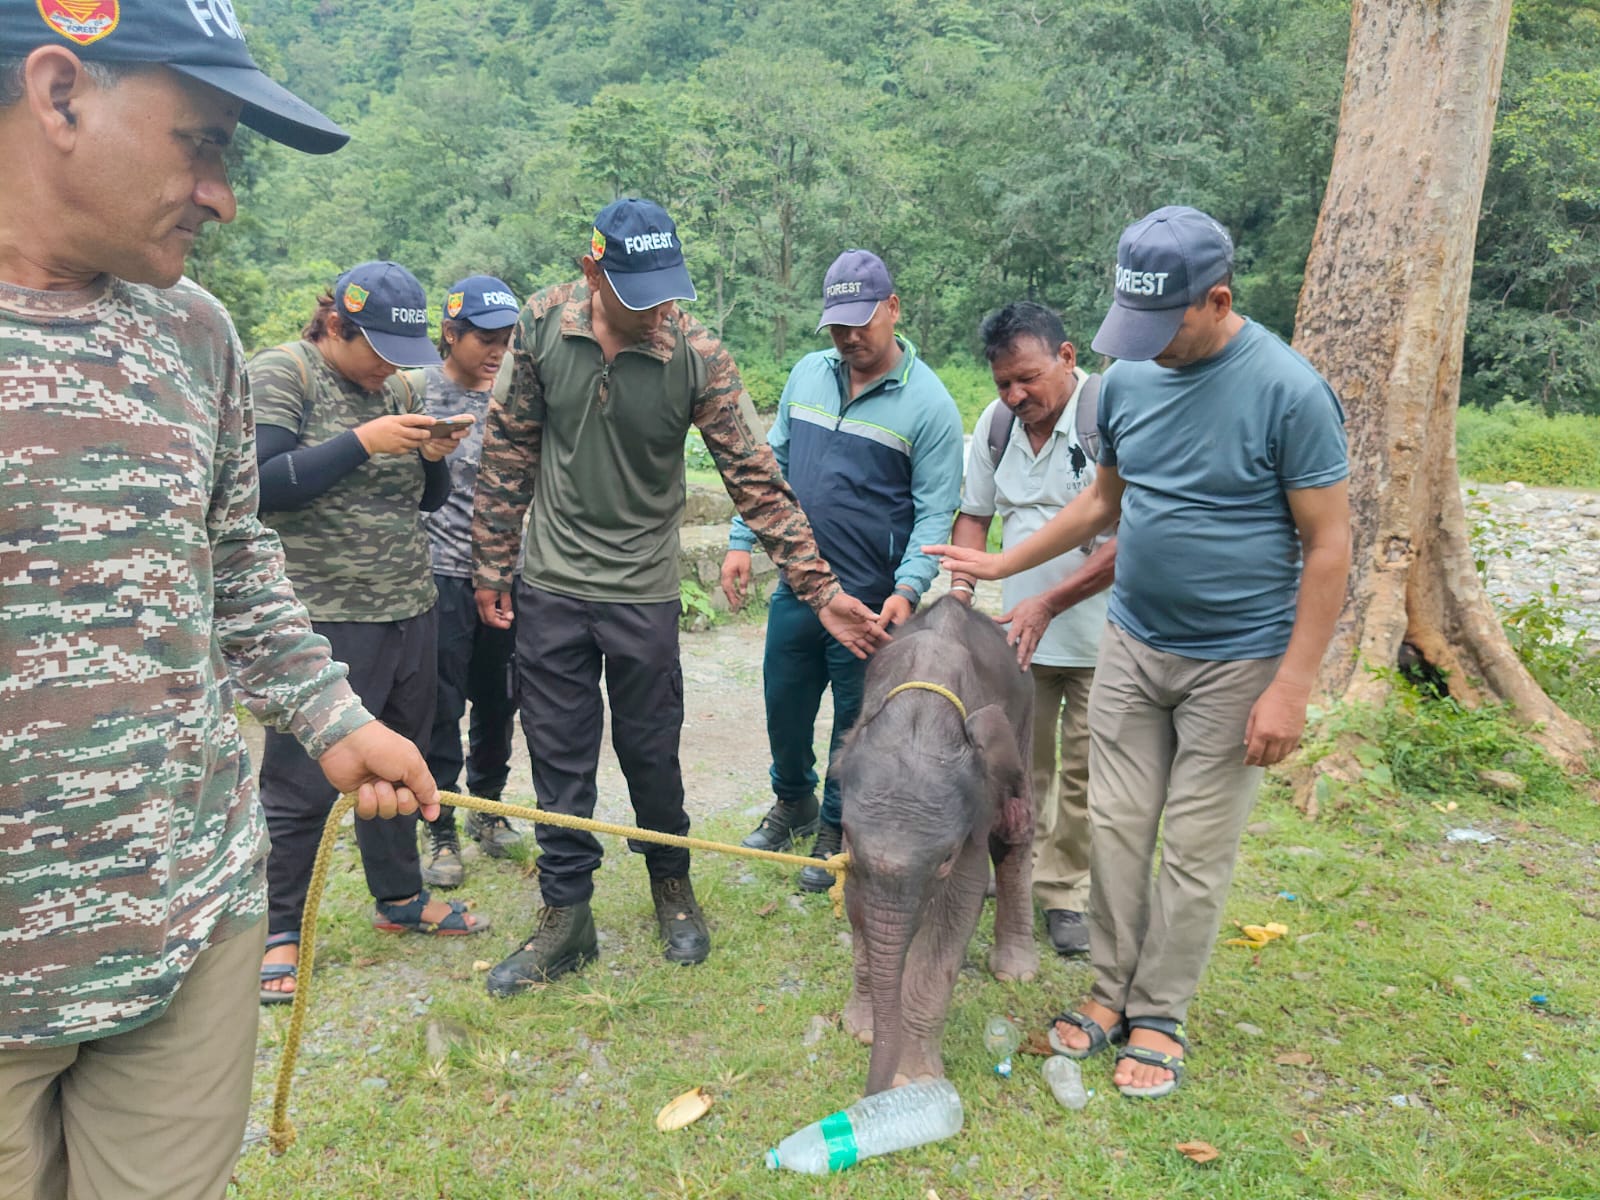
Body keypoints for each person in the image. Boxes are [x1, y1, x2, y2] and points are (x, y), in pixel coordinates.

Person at [0, 6, 442, 1198]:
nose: (222, 196)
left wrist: (333, 716)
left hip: (189, 928)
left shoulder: (194, 333)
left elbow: (236, 555)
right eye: (201, 144)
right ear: (58, 93)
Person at [928, 206, 1350, 1099]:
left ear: (1218, 299)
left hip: (1237, 660)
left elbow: (1329, 544)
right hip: (1134, 642)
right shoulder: (1127, 386)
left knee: (1194, 848)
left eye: (1164, 327)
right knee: (1116, 830)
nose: (1145, 345)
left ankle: (1161, 1014)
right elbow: (1101, 506)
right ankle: (1111, 991)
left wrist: (1293, 686)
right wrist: (1008, 561)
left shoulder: (1290, 392)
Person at [471, 198, 890, 993]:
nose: (660, 306)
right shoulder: (539, 325)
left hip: (641, 591)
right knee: (558, 760)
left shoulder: (696, 354)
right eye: (640, 291)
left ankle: (672, 882)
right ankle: (566, 915)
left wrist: (820, 589)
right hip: (552, 582)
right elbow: (509, 445)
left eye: (668, 287)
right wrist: (492, 564)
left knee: (651, 751)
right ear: (593, 271)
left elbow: (756, 481)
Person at [250, 260, 491, 1004]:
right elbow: (260, 484)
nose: (391, 366)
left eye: (401, 351)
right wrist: (364, 439)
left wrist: (431, 456)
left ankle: (399, 897)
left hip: (406, 605)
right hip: (320, 617)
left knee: (399, 761)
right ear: (334, 326)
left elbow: (426, 501)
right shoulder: (282, 373)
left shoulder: (404, 388)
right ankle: (277, 930)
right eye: (377, 348)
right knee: (299, 780)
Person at [721, 249, 963, 891]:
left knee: (858, 726)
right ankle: (793, 801)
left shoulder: (931, 405)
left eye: (863, 320)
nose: (851, 335)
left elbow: (935, 513)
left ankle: (837, 825)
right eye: (838, 324)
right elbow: (767, 468)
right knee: (785, 707)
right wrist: (741, 538)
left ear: (893, 308)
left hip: (871, 606)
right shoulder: (806, 375)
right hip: (797, 590)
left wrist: (908, 590)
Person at [946, 301, 1116, 955]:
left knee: (1086, 774)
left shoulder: (1107, 419)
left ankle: (1063, 892)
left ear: (1067, 357)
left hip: (1104, 641)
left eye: (1028, 378)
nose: (1016, 395)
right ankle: (1010, 870)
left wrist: (1051, 601)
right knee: (1017, 770)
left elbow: (1126, 539)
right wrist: (962, 593)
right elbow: (975, 515)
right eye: (1003, 384)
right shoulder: (995, 428)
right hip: (1020, 640)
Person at [411, 275, 525, 888]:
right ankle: (441, 825)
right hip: (443, 572)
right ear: (450, 333)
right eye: (486, 338)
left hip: (510, 572)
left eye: (508, 339)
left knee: (500, 696)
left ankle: (488, 806)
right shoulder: (417, 390)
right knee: (441, 703)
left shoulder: (515, 393)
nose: (498, 351)